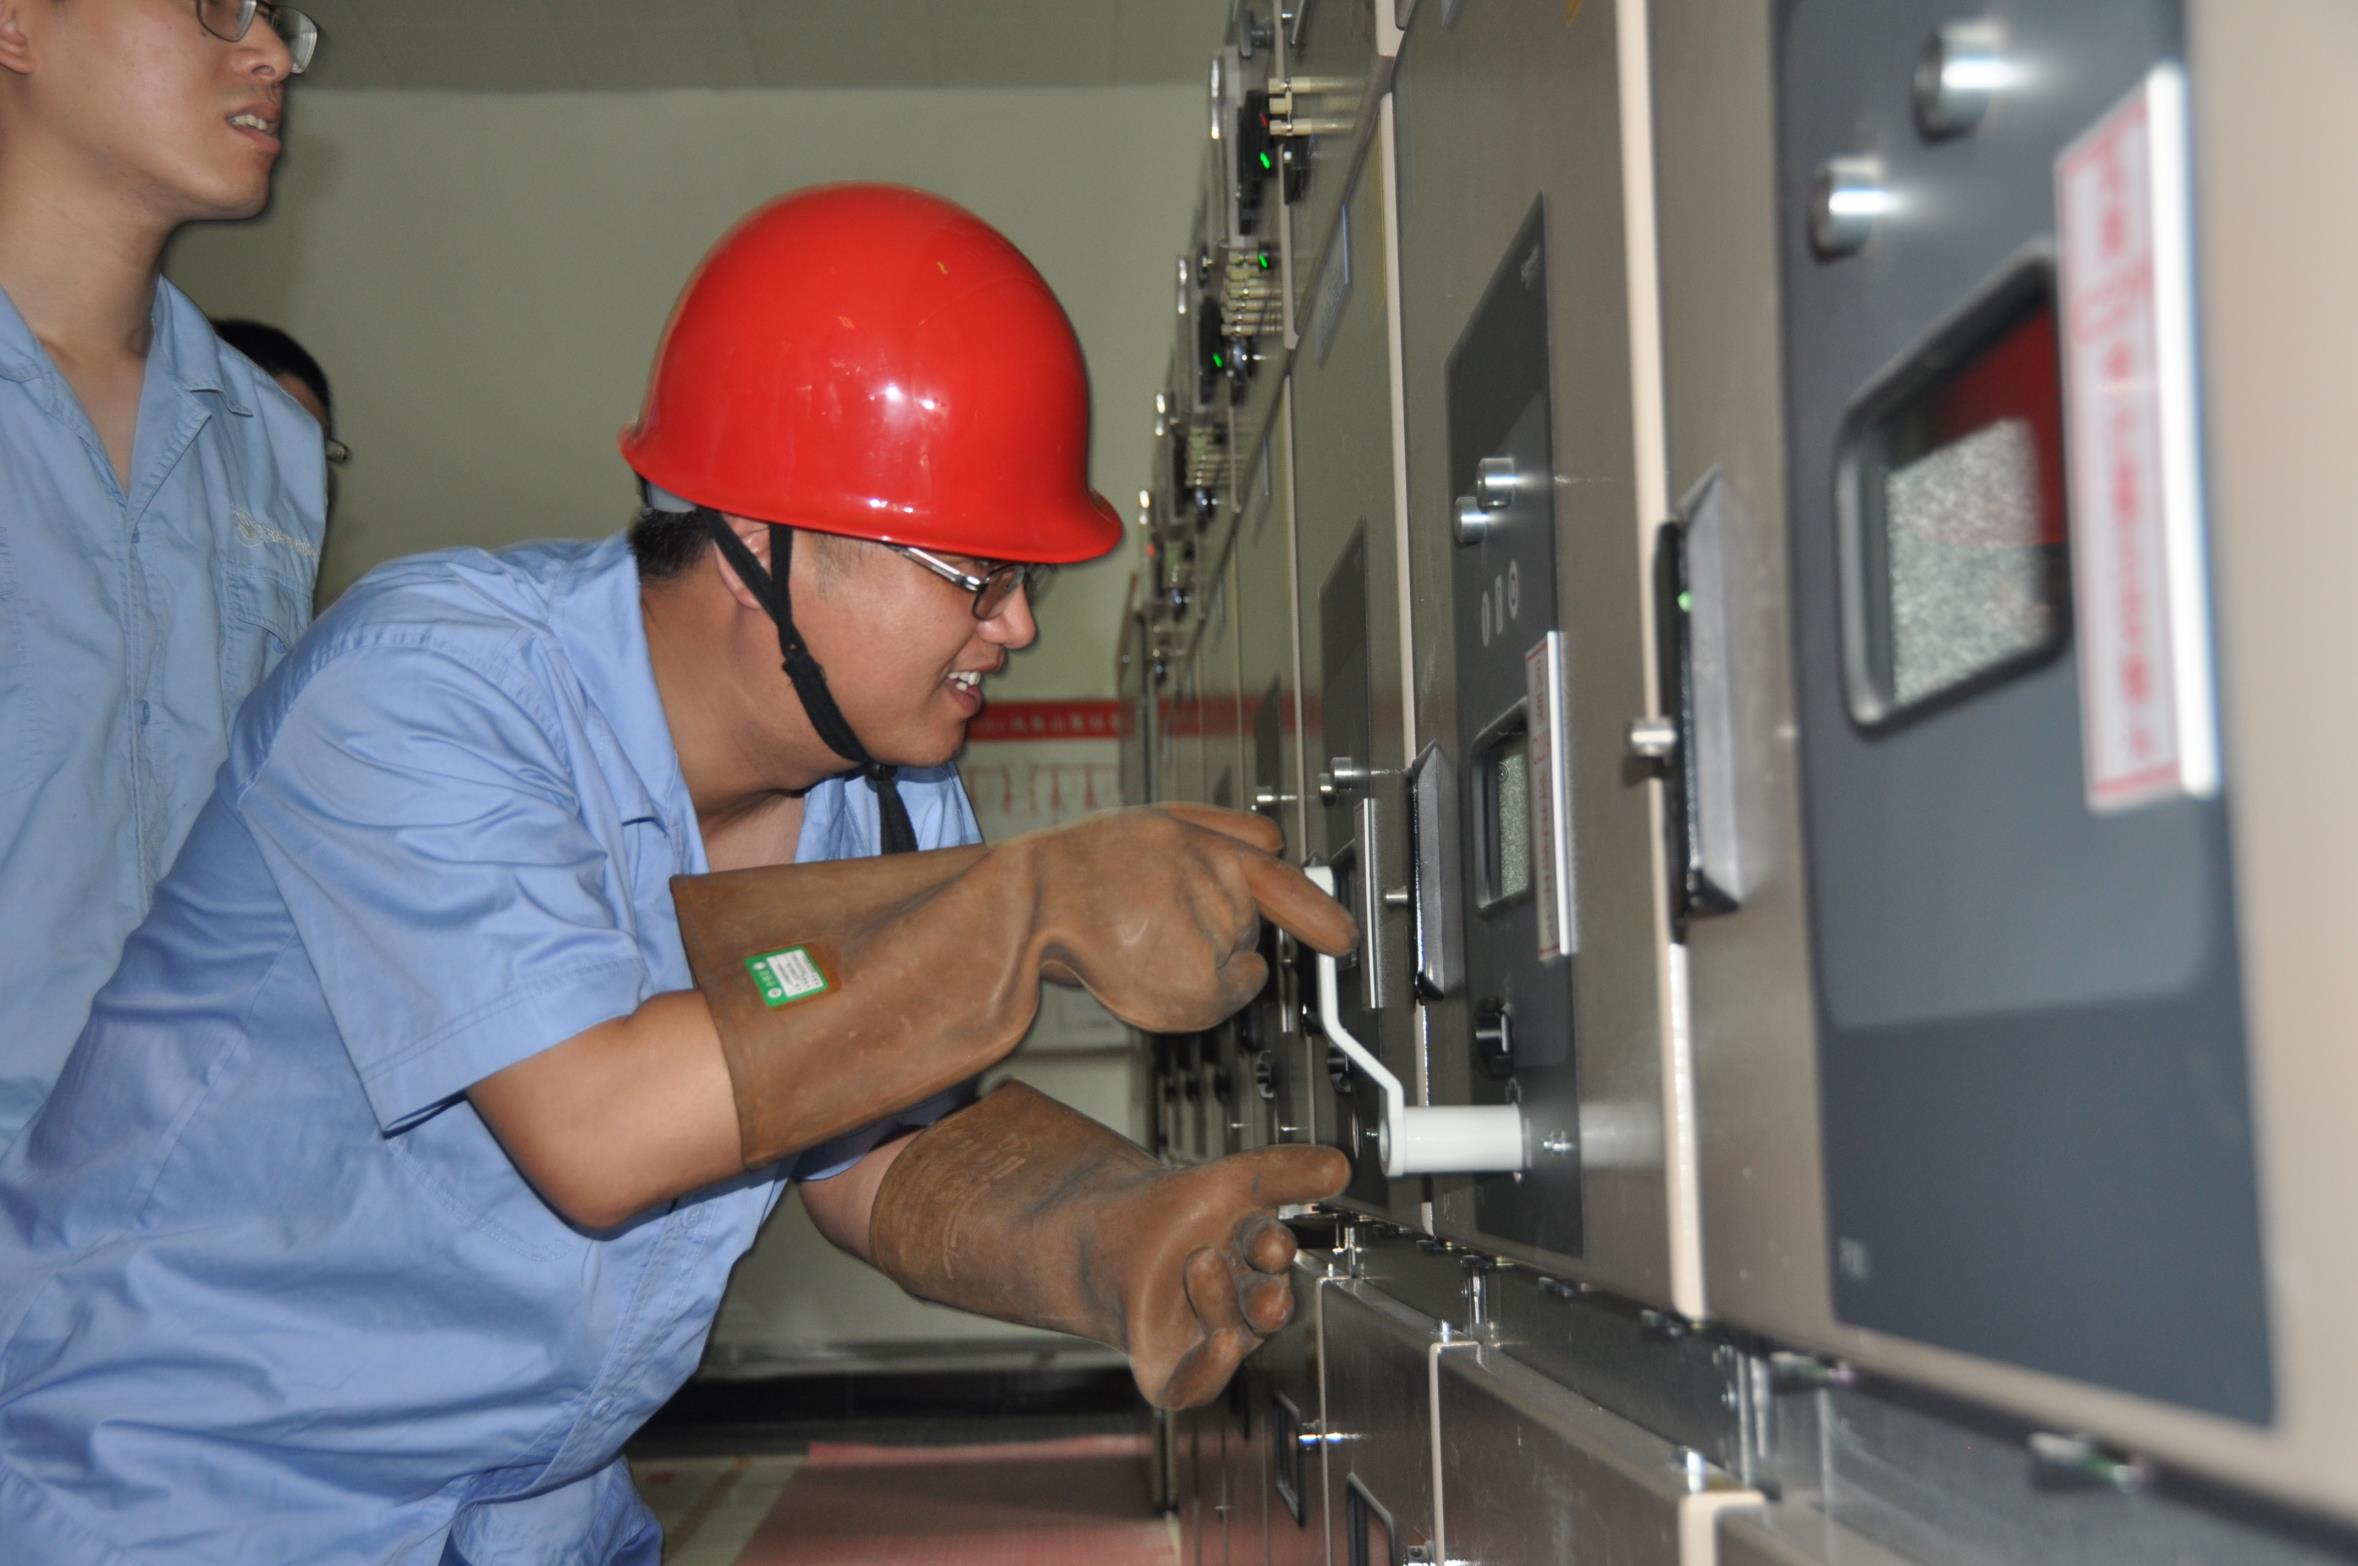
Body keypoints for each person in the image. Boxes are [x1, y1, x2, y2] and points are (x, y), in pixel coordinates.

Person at [0, 184, 1355, 1565]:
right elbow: (600, 1126)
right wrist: (1027, 907)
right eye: (975, 569)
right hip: (178, 1496)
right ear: (758, 538)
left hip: (526, 1513)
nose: (1013, 626)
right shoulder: (430, 688)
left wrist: (1113, 1231)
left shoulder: (890, 795)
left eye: (1027, 579)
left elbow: (875, 1150)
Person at [0, 0, 330, 1153]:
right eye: (213, 5)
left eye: (277, 15)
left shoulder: (271, 446)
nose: (271, 51)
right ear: (17, 25)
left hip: (185, 1193)